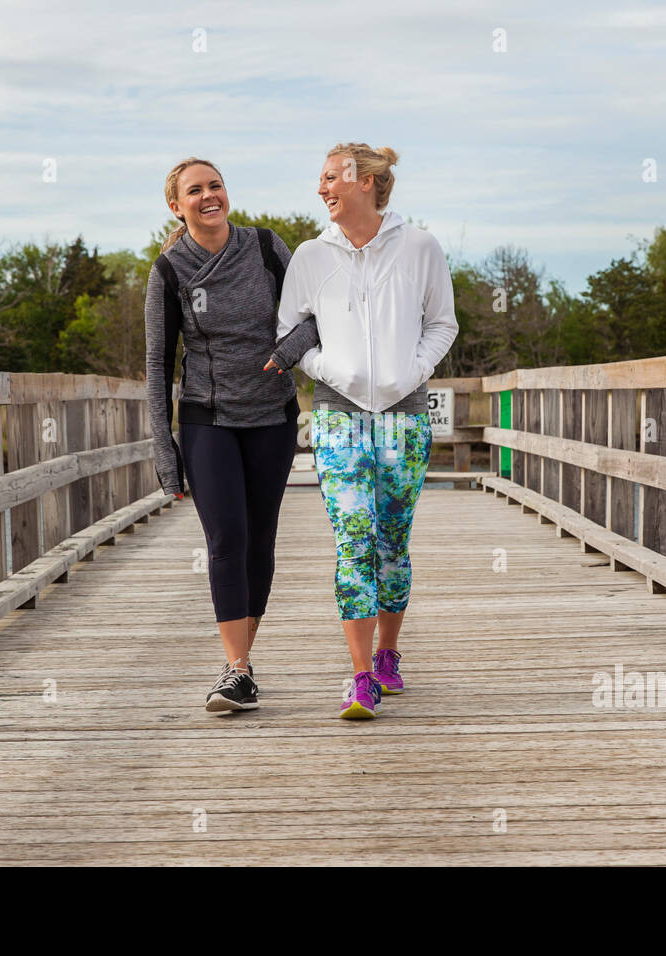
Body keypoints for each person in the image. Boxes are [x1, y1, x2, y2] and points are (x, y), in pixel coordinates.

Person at [267, 143, 458, 719]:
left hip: (404, 420)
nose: (322, 188)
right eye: (321, 179)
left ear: (367, 180)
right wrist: (335, 371)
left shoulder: (420, 246)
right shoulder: (309, 255)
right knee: (353, 541)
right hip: (336, 417)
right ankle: (358, 679)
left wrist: (414, 370)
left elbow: (442, 323)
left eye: (331, 178)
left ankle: (388, 656)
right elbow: (291, 331)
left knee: (390, 546)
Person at [146, 157, 309, 714]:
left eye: (216, 185)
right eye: (196, 190)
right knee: (226, 541)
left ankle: (243, 664)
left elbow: (316, 314)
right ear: (177, 206)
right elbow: (156, 365)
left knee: (261, 541)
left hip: (272, 417)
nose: (209, 196)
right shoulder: (169, 271)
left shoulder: (265, 247)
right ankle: (236, 668)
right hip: (205, 419)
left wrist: (288, 352)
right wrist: (163, 448)